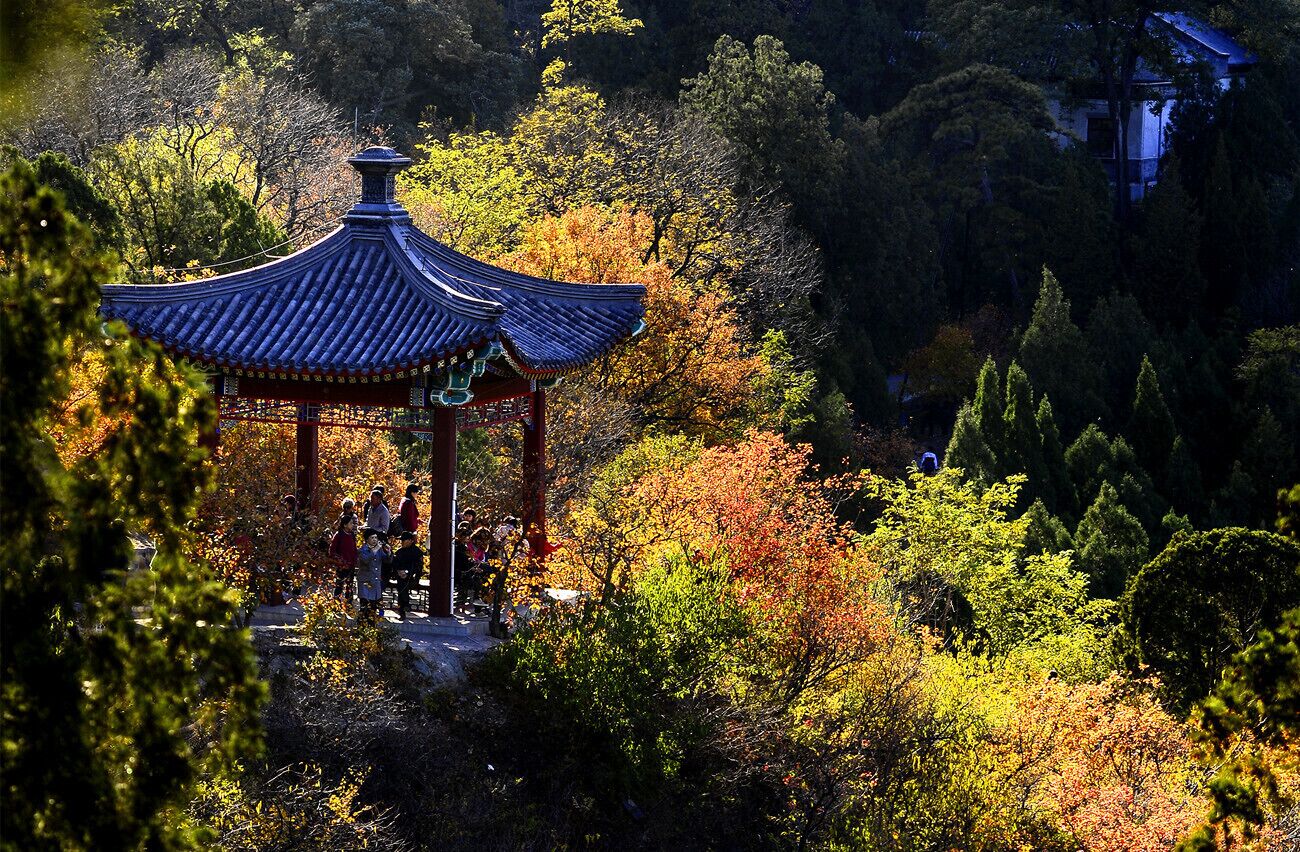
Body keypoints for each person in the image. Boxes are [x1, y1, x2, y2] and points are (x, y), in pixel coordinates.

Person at [356, 529, 390, 622]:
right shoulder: (362, 550)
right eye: (372, 538)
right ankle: (361, 627)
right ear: (367, 539)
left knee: (373, 607)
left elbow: (387, 561)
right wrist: (375, 550)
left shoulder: (379, 550)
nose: (375, 540)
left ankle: (372, 628)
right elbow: (365, 560)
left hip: (375, 582)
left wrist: (388, 552)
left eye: (376, 537)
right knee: (364, 607)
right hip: (365, 582)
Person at [390, 530, 424, 620]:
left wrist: (408, 572)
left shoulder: (417, 552)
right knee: (401, 583)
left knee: (403, 584)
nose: (402, 542)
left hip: (412, 578)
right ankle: (405, 606)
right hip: (400, 577)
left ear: (410, 540)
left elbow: (419, 568)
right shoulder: (399, 552)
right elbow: (395, 565)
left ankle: (404, 605)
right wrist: (399, 572)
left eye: (404, 540)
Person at [329, 516, 359, 602]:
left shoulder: (352, 535)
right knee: (339, 584)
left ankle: (348, 602)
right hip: (341, 565)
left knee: (349, 585)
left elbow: (354, 548)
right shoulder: (339, 535)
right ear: (345, 525)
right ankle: (336, 601)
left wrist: (355, 559)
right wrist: (339, 561)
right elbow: (332, 550)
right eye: (350, 523)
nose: (352, 525)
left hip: (351, 565)